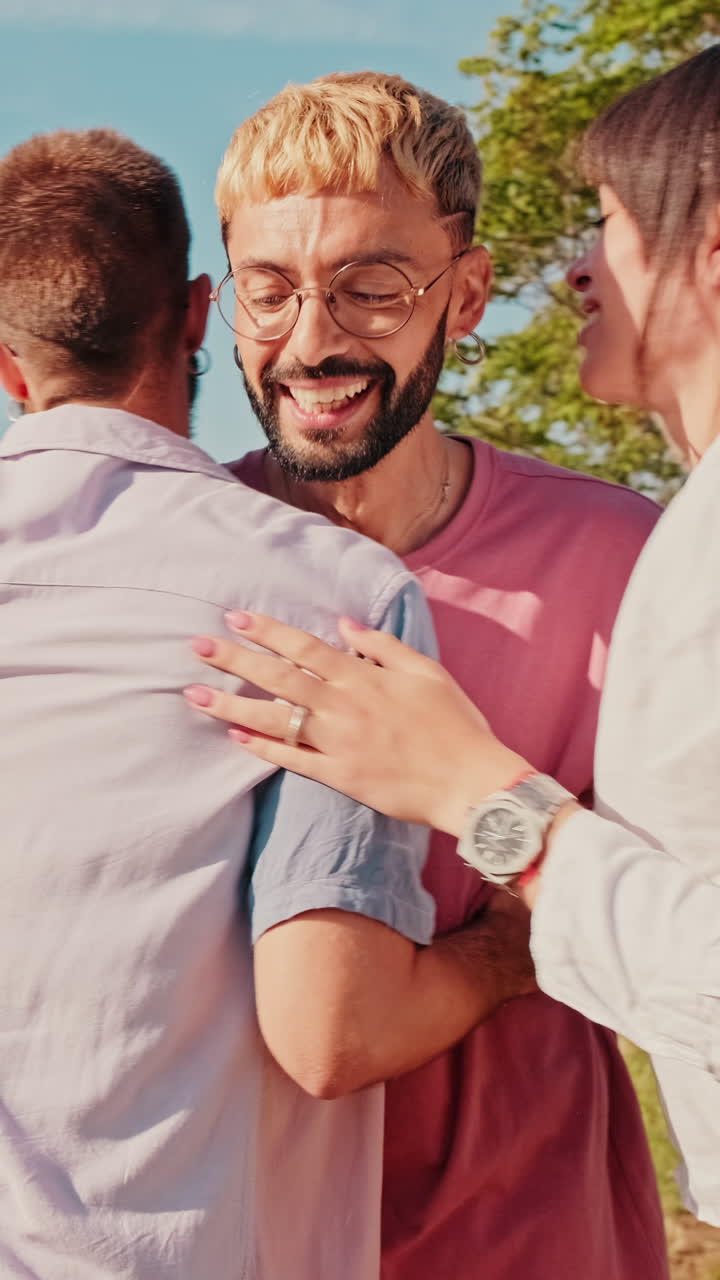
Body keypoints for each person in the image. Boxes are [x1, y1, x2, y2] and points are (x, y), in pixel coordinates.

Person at [186, 48, 720, 1231]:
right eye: (269, 291)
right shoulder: (163, 564)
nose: (312, 341)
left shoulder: (634, 559)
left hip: (541, 1240)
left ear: (468, 295)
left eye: (372, 286)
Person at [0, 128, 538, 1279]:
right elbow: (332, 1031)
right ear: (200, 313)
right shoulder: (324, 590)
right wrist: (511, 945)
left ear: (5, 366)